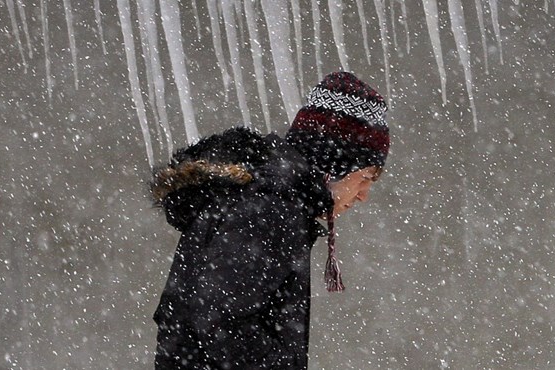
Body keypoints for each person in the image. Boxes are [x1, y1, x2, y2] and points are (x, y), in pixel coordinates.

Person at [150, 71, 390, 369]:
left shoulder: (267, 199)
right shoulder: (273, 208)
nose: (364, 194)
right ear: (334, 164)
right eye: (365, 177)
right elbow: (219, 317)